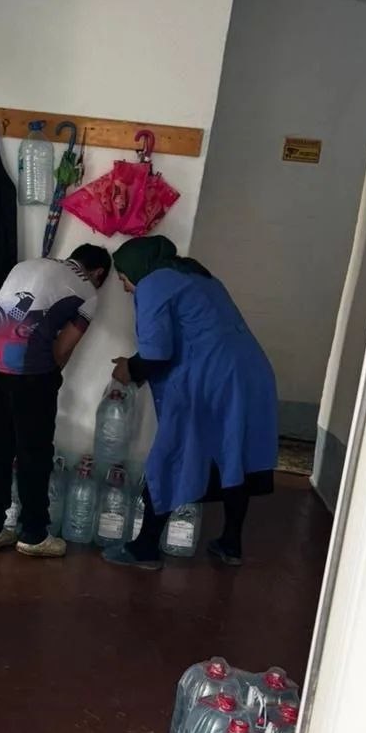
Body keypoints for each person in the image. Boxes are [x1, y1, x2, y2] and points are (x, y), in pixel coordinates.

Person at [105, 236, 277, 570]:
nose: (125, 287)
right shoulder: (199, 277)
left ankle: (145, 548)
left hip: (210, 379)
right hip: (250, 373)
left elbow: (157, 353)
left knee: (172, 452)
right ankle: (230, 543)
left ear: (138, 268)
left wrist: (130, 369)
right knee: (234, 453)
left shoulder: (152, 284)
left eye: (123, 278)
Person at [0, 244, 113, 557]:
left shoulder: (27, 264)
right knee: (33, 451)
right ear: (99, 273)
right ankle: (33, 534)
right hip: (26, 368)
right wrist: (50, 378)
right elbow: (62, 348)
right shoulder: (89, 291)